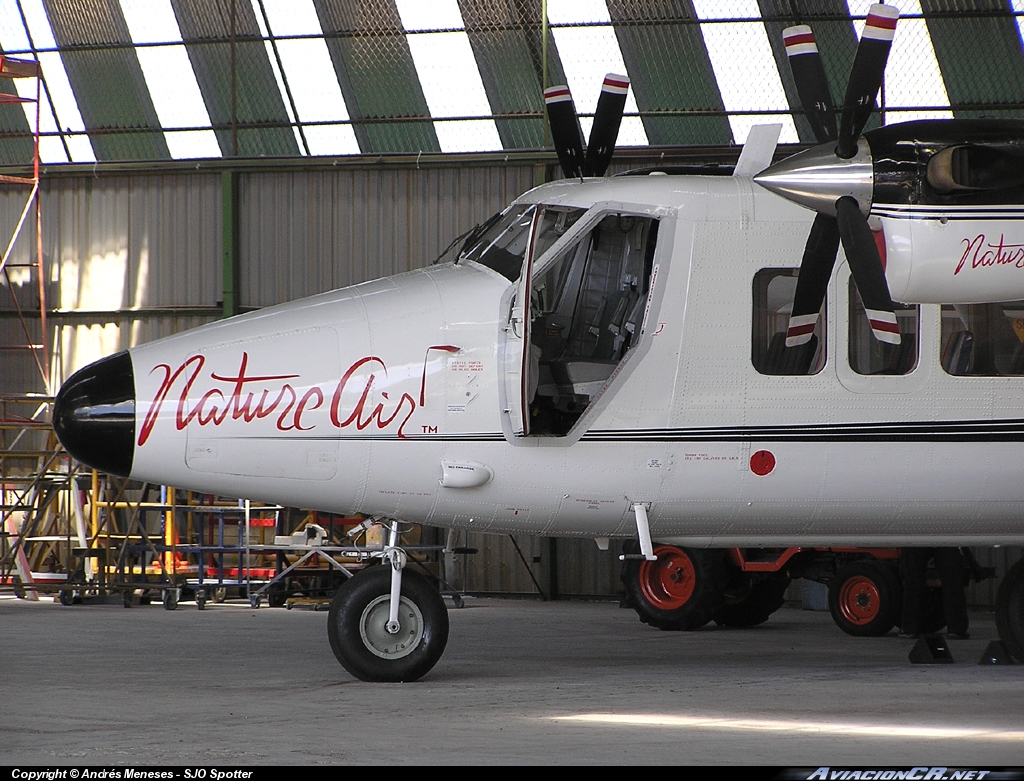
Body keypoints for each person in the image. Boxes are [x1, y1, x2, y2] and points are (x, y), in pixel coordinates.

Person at [899, 547, 969, 639]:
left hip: (917, 537)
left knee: (913, 583)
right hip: (943, 537)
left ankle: (909, 629)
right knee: (952, 584)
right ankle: (957, 630)